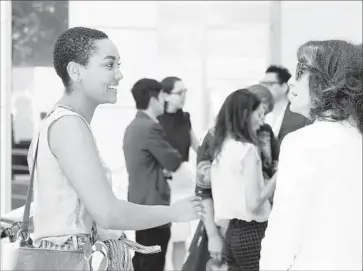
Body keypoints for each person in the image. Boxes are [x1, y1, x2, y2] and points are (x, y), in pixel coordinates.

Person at [26, 27, 203, 268]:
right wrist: (174, 212)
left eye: (119, 65)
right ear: (75, 71)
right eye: (109, 65)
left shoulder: (57, 122)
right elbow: (108, 213)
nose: (119, 75)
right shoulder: (69, 126)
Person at [260, 40, 363, 270]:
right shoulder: (356, 139)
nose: (290, 81)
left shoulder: (303, 143)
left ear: (329, 80)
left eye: (300, 71)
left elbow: (284, 232)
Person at [123, 78, 196, 271]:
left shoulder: (134, 125)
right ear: (154, 100)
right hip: (154, 204)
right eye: (162, 98)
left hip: (141, 202)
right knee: (152, 262)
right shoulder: (150, 127)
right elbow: (173, 161)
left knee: (143, 259)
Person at [210, 89, 276, 271]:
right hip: (253, 232)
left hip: (232, 233)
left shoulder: (221, 148)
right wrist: (279, 175)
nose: (262, 121)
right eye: (260, 114)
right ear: (246, 114)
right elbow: (254, 202)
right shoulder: (247, 150)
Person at [158, 76, 199, 270]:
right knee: (160, 236)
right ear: (165, 95)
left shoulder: (185, 118)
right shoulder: (155, 119)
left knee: (181, 235)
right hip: (161, 183)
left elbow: (197, 147)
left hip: (182, 181)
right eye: (179, 92)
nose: (184, 96)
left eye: (185, 92)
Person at [260, 65, 311, 143]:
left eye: (270, 84)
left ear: (284, 87)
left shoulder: (300, 113)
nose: (264, 88)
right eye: (263, 84)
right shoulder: (260, 112)